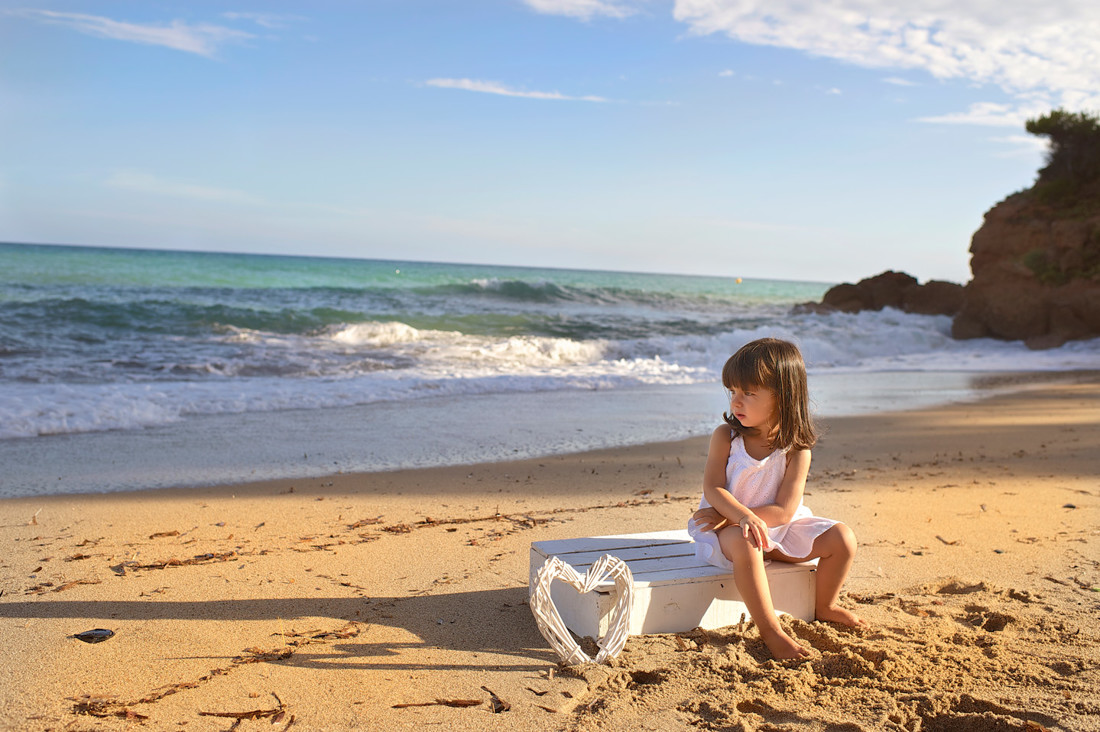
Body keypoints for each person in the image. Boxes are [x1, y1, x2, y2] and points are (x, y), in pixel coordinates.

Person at [689, 337, 863, 660]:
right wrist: (737, 517)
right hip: (725, 528)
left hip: (776, 528)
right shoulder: (726, 437)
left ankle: (824, 605)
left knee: (843, 539)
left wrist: (748, 518)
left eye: (748, 393)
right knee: (748, 542)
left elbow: (784, 511)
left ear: (782, 397)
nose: (736, 402)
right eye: (733, 392)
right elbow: (714, 488)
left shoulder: (797, 450)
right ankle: (771, 631)